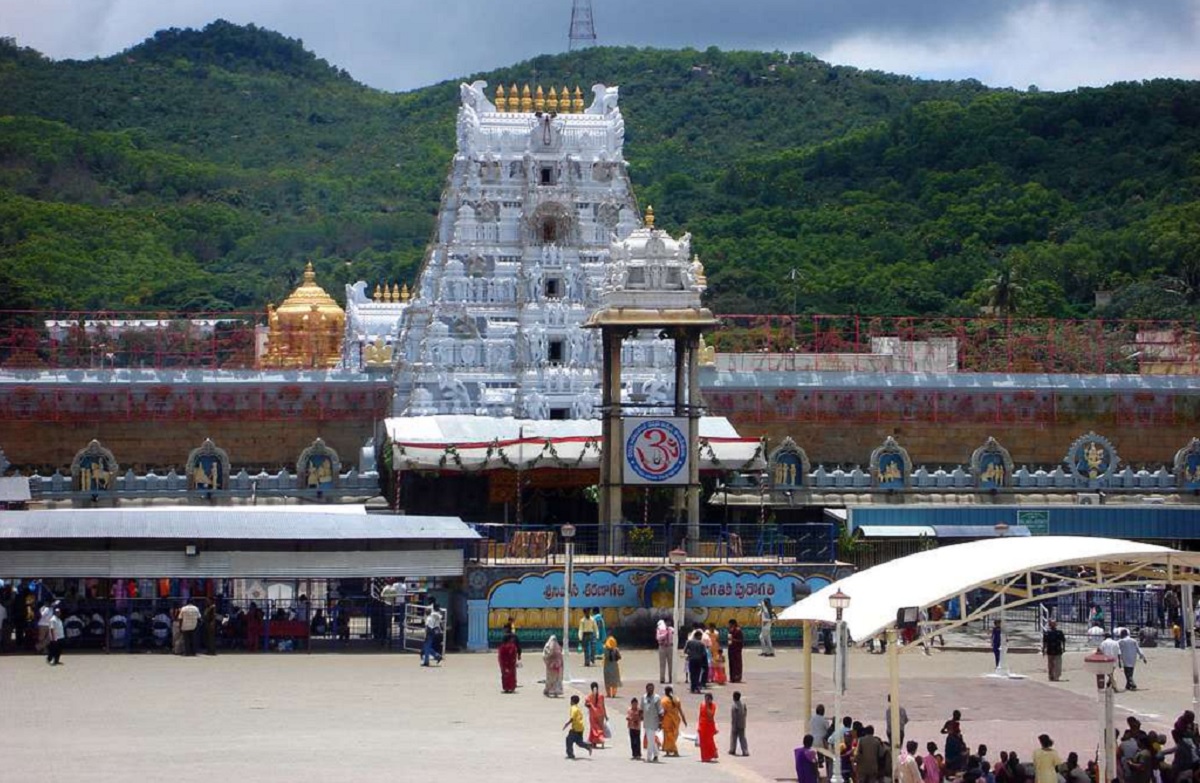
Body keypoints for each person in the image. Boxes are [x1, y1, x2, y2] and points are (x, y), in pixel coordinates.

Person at [563, 695, 593, 759]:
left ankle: (570, 754)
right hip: (581, 727)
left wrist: (566, 724)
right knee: (579, 742)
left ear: (572, 701)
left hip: (576, 728)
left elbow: (572, 718)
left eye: (570, 701)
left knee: (569, 740)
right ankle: (588, 746)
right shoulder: (577, 708)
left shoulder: (573, 708)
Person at [660, 685, 685, 757]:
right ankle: (667, 751)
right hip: (676, 720)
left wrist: (660, 721)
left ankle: (675, 750)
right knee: (672, 736)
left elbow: (663, 712)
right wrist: (684, 719)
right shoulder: (676, 699)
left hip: (667, 721)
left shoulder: (664, 701)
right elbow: (680, 710)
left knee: (668, 736)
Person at [942, 710, 968, 775]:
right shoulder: (956, 724)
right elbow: (958, 736)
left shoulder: (948, 722)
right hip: (954, 742)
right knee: (964, 754)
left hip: (949, 740)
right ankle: (961, 770)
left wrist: (948, 732)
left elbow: (942, 731)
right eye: (959, 716)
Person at [698, 692, 719, 763]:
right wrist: (698, 726)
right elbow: (700, 715)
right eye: (705, 699)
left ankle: (711, 754)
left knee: (709, 741)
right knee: (703, 743)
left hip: (709, 726)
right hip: (702, 725)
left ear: (711, 699)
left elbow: (711, 715)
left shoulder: (713, 706)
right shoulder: (702, 704)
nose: (706, 700)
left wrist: (707, 706)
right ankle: (704, 757)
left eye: (708, 699)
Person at [811, 704, 832, 778]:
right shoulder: (824, 720)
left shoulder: (812, 718)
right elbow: (828, 730)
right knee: (828, 756)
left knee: (817, 752)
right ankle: (828, 773)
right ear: (823, 712)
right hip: (822, 741)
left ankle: (819, 761)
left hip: (812, 740)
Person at [585, 681, 607, 748]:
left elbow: (586, 704)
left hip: (593, 715)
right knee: (600, 728)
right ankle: (594, 742)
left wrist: (589, 705)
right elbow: (603, 706)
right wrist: (606, 716)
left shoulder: (589, 697)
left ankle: (600, 739)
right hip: (601, 715)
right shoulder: (601, 696)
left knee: (594, 729)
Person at [685, 629, 707, 694]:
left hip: (691, 660)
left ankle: (692, 688)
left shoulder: (689, 642)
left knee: (692, 674)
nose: (701, 638)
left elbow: (685, 651)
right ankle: (696, 687)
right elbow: (704, 654)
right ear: (698, 636)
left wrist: (690, 654)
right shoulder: (702, 643)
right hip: (699, 660)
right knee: (697, 674)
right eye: (700, 636)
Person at [729, 690, 749, 757]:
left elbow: (734, 717)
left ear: (734, 697)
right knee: (742, 738)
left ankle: (732, 750)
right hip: (742, 724)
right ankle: (745, 751)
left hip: (736, 724)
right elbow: (745, 713)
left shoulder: (734, 706)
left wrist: (734, 726)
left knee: (733, 738)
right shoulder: (743, 705)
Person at [656, 618, 675, 683]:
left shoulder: (671, 629)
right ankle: (662, 679)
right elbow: (658, 637)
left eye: (669, 622)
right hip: (662, 647)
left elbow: (675, 634)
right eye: (667, 622)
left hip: (670, 647)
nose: (668, 623)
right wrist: (665, 634)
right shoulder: (660, 629)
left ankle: (671, 678)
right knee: (662, 664)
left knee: (671, 664)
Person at [727, 619, 745, 683]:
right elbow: (729, 640)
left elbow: (741, 641)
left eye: (729, 624)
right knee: (731, 664)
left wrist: (733, 640)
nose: (728, 625)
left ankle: (737, 677)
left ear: (733, 624)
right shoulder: (730, 630)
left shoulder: (738, 631)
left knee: (737, 664)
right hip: (731, 650)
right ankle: (732, 678)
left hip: (736, 650)